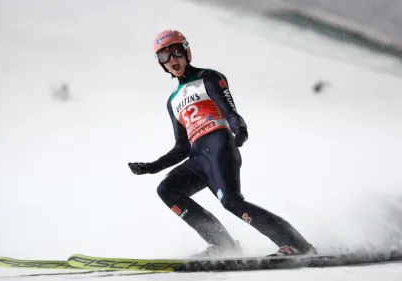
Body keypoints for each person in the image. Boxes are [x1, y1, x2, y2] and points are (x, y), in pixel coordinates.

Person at [128, 29, 317, 258]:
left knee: (231, 202)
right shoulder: (173, 101)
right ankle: (223, 245)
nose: (171, 60)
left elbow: (230, 112)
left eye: (176, 52)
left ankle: (298, 245)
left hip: (219, 147)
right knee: (167, 189)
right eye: (163, 57)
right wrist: (152, 167)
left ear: (187, 52)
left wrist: (240, 129)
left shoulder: (209, 77)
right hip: (197, 158)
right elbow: (183, 147)